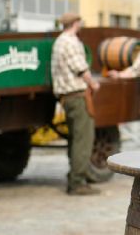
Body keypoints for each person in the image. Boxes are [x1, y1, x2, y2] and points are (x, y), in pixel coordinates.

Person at [51, 12, 101, 196]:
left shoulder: (61, 41)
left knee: (76, 138)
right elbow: (81, 69)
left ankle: (78, 174)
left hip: (69, 96)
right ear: (75, 23)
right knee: (83, 140)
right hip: (76, 95)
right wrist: (94, 84)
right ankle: (77, 182)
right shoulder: (69, 42)